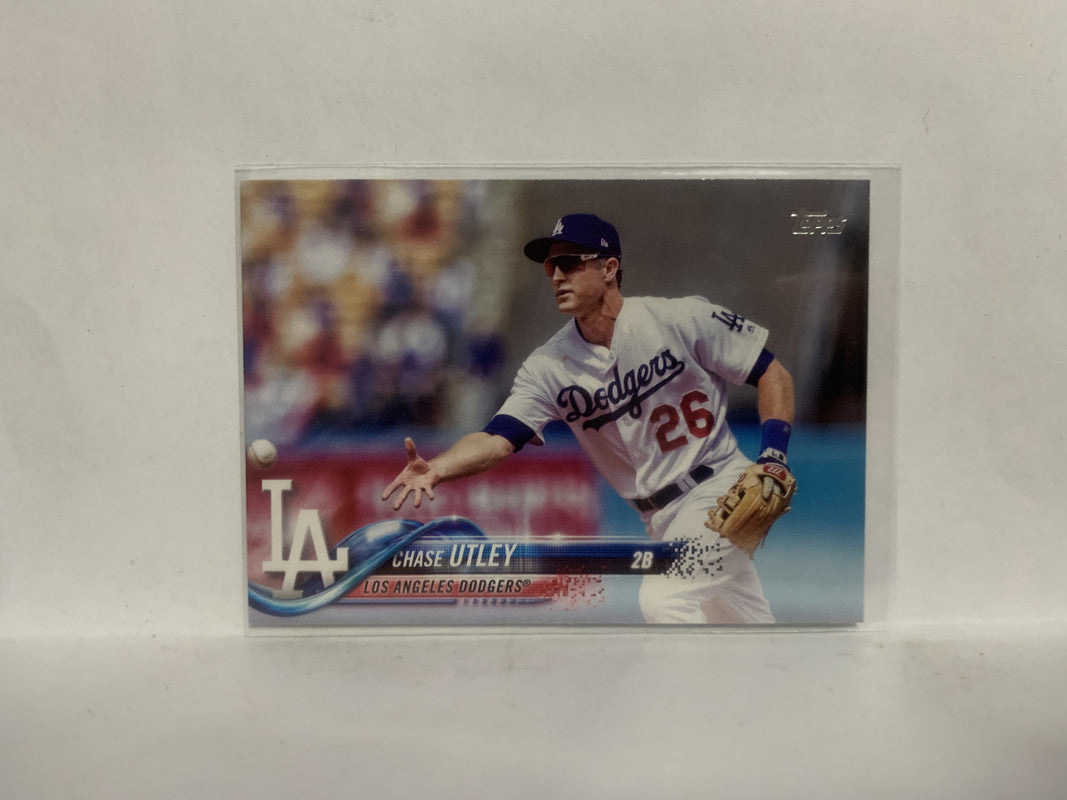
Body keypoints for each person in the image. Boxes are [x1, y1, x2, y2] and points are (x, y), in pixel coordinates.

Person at [381, 213, 795, 623]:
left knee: (664, 599)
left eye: (570, 262)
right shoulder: (548, 365)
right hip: (657, 517)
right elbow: (497, 437)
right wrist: (439, 468)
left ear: (609, 268)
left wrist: (773, 455)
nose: (558, 276)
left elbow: (771, 373)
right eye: (551, 266)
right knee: (748, 635)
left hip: (719, 487)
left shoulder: (679, 319)